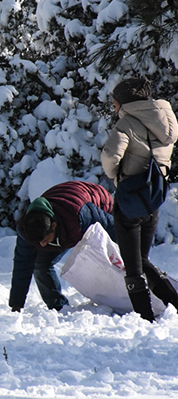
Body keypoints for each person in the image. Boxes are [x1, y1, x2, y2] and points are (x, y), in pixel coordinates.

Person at [101, 77, 178, 321]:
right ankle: (174, 302)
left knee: (133, 265)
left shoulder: (126, 123)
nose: (113, 109)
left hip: (130, 199)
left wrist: (117, 177)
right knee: (142, 259)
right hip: (153, 199)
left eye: (114, 104)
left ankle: (144, 317)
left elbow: (111, 156)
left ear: (123, 103)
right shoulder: (165, 121)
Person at [9, 181, 114, 312]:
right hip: (64, 213)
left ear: (53, 225)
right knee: (40, 264)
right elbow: (22, 264)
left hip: (99, 200)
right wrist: (16, 304)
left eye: (45, 240)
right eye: (38, 242)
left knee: (111, 257)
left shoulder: (79, 215)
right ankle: (59, 307)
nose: (42, 245)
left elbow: (115, 229)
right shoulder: (26, 228)